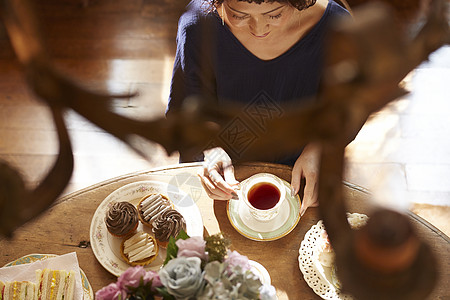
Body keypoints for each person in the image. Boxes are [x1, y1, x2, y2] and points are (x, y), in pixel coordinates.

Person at [166, 0, 350, 215]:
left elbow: (345, 106)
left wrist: (318, 149)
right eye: (239, 15)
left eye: (274, 15)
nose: (258, 29)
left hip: (301, 172)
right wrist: (210, 149)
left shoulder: (337, 26)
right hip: (224, 176)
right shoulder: (198, 24)